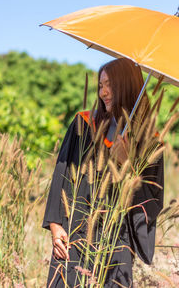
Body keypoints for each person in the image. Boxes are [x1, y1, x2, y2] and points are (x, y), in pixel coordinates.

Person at [42, 58, 164, 287]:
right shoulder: (84, 124)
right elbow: (62, 173)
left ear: (127, 86)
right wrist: (55, 225)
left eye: (110, 85)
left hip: (116, 242)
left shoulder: (150, 144)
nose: (104, 92)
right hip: (74, 236)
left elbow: (152, 204)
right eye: (100, 85)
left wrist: (127, 164)